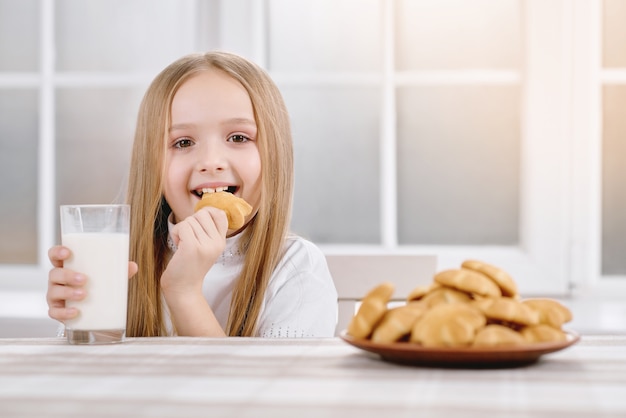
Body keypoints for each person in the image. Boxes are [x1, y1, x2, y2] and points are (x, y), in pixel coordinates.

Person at [46, 51, 338, 338]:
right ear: (152, 165)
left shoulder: (296, 268)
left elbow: (255, 386)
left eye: (238, 138)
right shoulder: (122, 265)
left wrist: (184, 292)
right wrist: (95, 325)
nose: (211, 161)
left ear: (275, 154)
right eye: (183, 142)